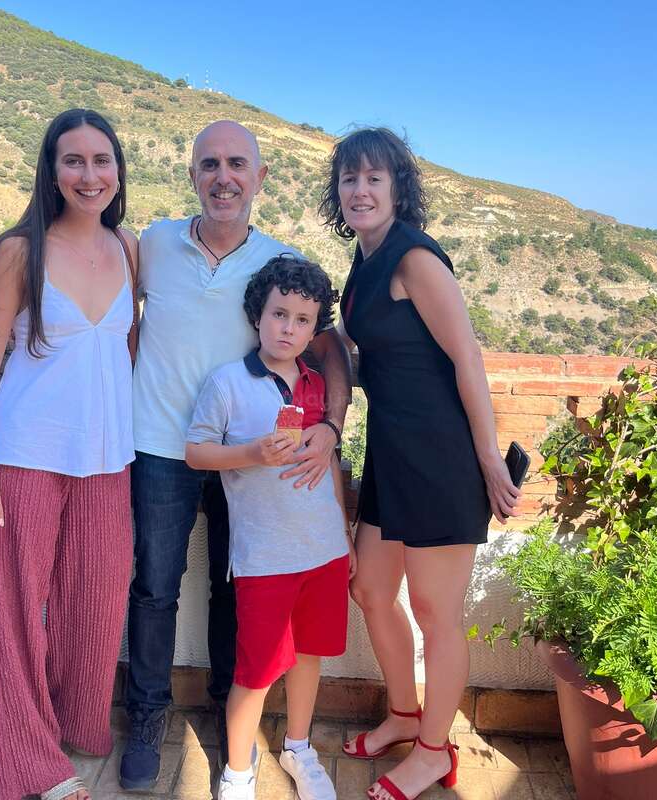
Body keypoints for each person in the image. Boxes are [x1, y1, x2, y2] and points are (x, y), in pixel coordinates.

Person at [121, 120, 351, 791]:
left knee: (234, 589)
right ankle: (147, 716)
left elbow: (330, 348)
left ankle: (234, 718)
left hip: (249, 459)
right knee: (156, 589)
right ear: (193, 173)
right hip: (162, 448)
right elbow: (111, 312)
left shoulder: (279, 261)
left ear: (259, 178)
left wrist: (332, 426)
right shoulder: (156, 243)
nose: (223, 177)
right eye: (210, 164)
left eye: (237, 165)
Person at [319, 128, 521, 800]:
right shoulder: (365, 257)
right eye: (349, 179)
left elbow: (467, 357)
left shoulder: (414, 258)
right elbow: (361, 337)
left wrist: (489, 458)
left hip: (439, 457)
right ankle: (404, 713)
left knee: (436, 611)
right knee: (371, 590)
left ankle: (435, 751)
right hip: (391, 453)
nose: (360, 190)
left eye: (374, 178)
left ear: (399, 187)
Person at [0, 108, 138, 800]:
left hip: (107, 460)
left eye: (101, 160)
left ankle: (73, 725)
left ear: (118, 169)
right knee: (12, 615)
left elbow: (122, 350)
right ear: (52, 169)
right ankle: (29, 767)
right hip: (22, 457)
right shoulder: (18, 250)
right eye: (74, 160)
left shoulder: (128, 249)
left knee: (93, 608)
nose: (89, 174)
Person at [186, 255, 357, 800]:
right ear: (257, 315)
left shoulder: (316, 387)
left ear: (314, 328)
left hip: (323, 551)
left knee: (309, 658)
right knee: (255, 672)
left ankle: (299, 748)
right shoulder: (228, 383)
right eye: (279, 314)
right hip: (263, 558)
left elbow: (328, 463)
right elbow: (195, 453)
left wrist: (345, 539)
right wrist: (252, 455)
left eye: (303, 320)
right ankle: (238, 771)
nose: (289, 328)